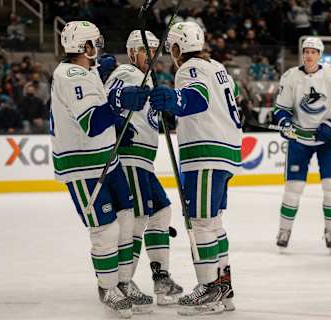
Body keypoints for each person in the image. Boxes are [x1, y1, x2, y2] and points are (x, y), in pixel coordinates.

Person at [49, 21, 150, 319]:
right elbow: (91, 123)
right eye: (95, 43)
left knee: (127, 220)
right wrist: (119, 102)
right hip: (83, 166)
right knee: (105, 229)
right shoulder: (69, 76)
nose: (99, 47)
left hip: (108, 159)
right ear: (85, 47)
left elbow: (99, 113)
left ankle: (123, 281)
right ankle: (107, 288)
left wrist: (117, 124)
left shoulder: (85, 72)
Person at [149, 21, 242, 316]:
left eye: (171, 49)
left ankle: (208, 291)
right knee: (213, 223)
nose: (171, 55)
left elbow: (197, 99)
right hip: (224, 152)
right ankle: (222, 287)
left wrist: (173, 99)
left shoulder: (189, 69)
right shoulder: (217, 67)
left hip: (204, 152)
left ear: (177, 48)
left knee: (200, 222)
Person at [103, 30, 183, 308]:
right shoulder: (127, 72)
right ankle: (122, 283)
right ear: (132, 52)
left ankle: (161, 277)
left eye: (153, 50)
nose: (150, 56)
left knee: (161, 211)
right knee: (136, 218)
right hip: (130, 157)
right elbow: (113, 96)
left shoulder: (142, 76)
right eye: (144, 50)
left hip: (143, 160)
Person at [272, 37, 331, 254]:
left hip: (328, 142)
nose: (309, 55)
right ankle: (284, 230)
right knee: (293, 189)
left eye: (313, 52)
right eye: (306, 51)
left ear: (320, 54)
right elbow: (281, 109)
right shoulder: (291, 76)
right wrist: (285, 123)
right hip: (300, 141)